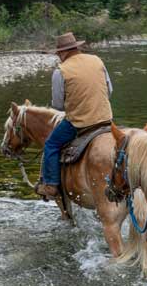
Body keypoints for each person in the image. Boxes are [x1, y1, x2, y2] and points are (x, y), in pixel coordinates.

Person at [34, 32, 113, 199]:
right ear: (76, 47)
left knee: (51, 145)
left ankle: (51, 185)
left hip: (80, 123)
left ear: (62, 52)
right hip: (106, 119)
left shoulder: (61, 71)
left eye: (58, 54)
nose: (59, 57)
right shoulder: (97, 60)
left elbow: (58, 105)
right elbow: (109, 90)